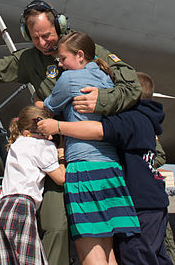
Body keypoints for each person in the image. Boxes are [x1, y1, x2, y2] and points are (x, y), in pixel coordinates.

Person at [0, 0, 142, 265]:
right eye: (35, 37)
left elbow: (132, 85)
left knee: (105, 237)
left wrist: (101, 100)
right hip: (55, 153)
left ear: (59, 27)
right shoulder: (30, 60)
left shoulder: (83, 49)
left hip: (93, 154)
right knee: (57, 228)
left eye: (47, 35)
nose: (43, 42)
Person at [38, 70, 173, 265]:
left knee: (136, 257)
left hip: (140, 204)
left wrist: (58, 126)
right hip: (154, 202)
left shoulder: (130, 119)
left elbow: (98, 130)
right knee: (158, 257)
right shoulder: (146, 119)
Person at [40, 31, 140, 265]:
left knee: (89, 253)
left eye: (63, 59)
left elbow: (49, 106)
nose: (60, 64)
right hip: (110, 170)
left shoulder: (68, 79)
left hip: (85, 171)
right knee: (107, 250)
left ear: (80, 55)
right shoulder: (106, 79)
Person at [0, 105, 65, 265]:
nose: (49, 138)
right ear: (29, 133)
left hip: (0, 211)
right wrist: (61, 154)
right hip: (21, 209)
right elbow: (61, 178)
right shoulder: (43, 146)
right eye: (46, 134)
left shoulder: (17, 143)